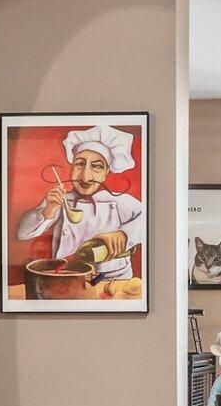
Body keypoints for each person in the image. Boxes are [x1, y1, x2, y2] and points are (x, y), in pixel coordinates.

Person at [15, 124, 144, 293]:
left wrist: (124, 234)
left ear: (106, 172)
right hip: (66, 280)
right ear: (71, 169)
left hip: (112, 284)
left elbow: (154, 220)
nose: (85, 176)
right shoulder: (62, 201)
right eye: (79, 164)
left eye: (96, 167)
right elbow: (22, 233)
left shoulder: (119, 201)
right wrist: (48, 211)